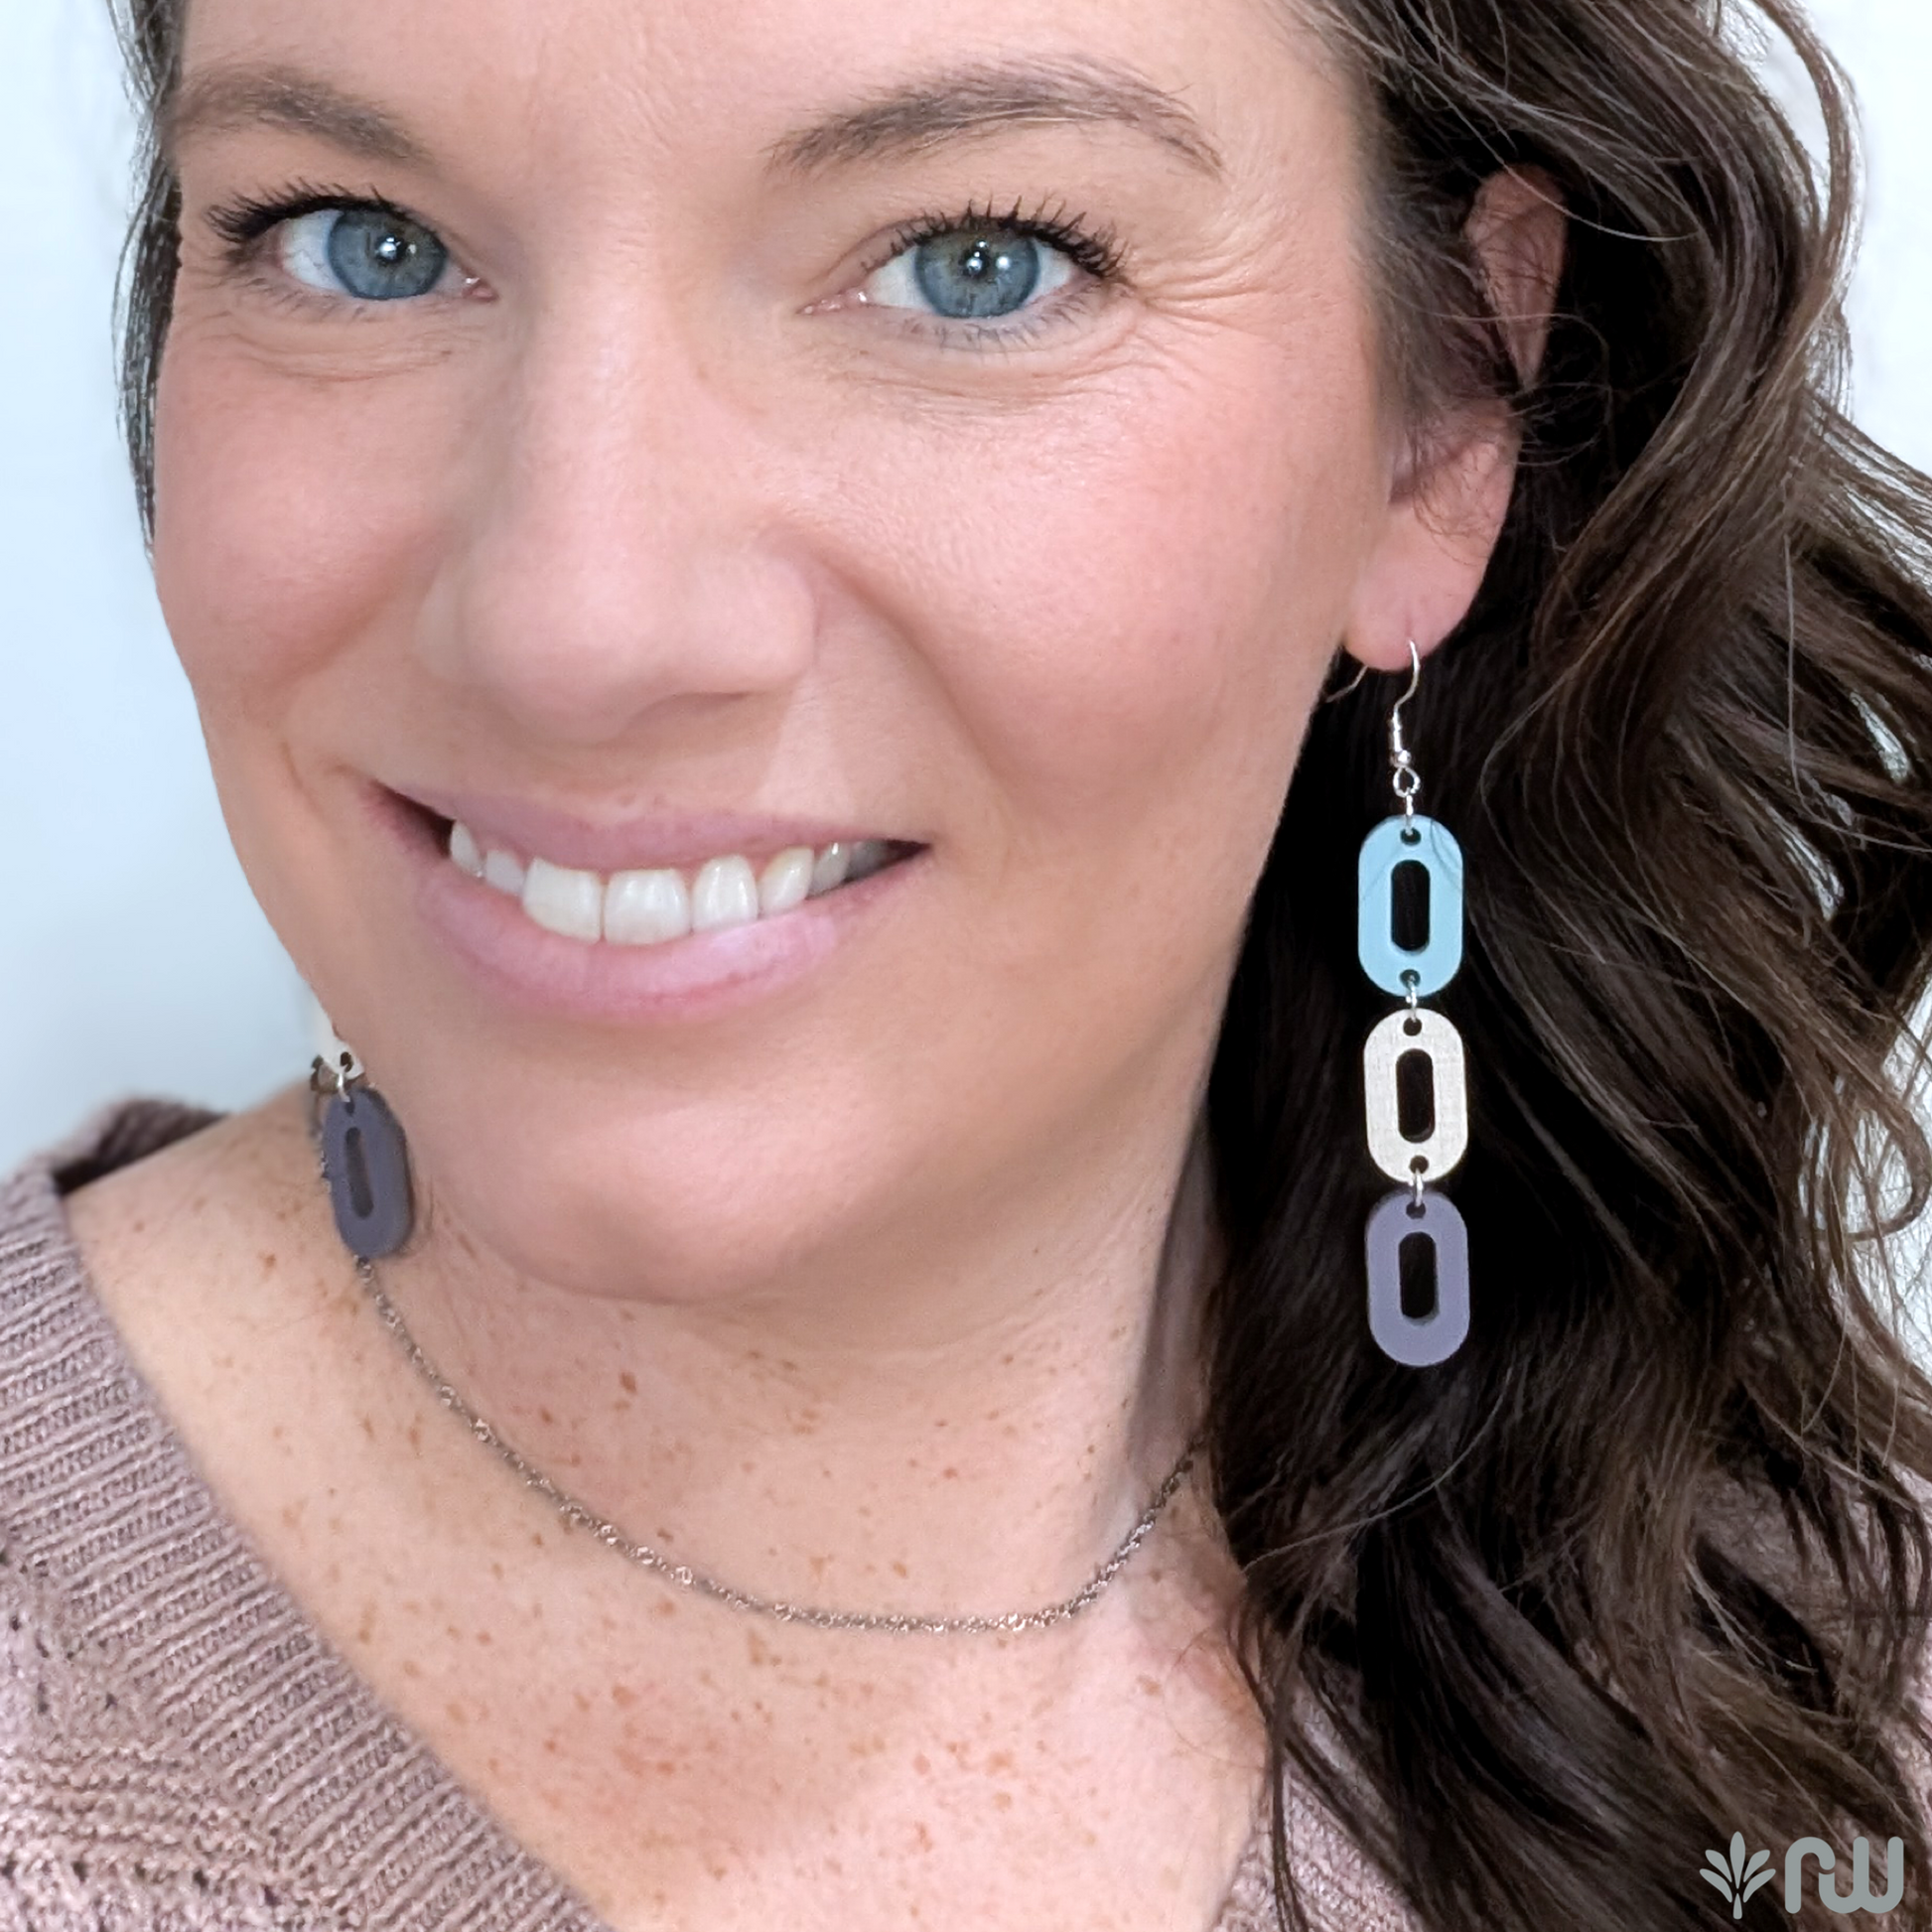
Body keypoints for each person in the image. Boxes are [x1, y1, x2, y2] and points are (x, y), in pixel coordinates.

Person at [3, 0, 1929, 1924]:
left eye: (971, 265)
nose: (573, 627)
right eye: (364, 244)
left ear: (1440, 422)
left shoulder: (1847, 1710)